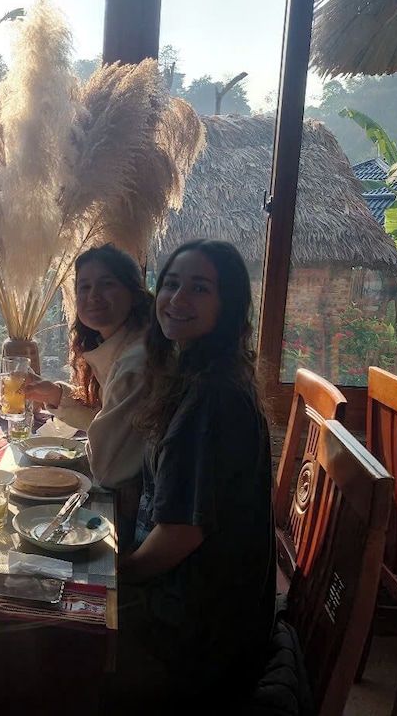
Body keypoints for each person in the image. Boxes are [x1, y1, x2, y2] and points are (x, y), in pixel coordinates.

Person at [115, 239, 276, 709]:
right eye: (171, 284)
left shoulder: (211, 399)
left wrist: (113, 574)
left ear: (228, 306)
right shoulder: (198, 374)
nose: (177, 299)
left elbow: (179, 534)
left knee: (54, 634)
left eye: (200, 288)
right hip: (210, 618)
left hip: (194, 642)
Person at [24, 244, 152, 493]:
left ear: (134, 293)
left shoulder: (136, 364)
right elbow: (112, 420)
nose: (93, 295)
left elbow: (108, 469)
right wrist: (56, 395)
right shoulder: (117, 346)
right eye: (84, 287)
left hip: (142, 502)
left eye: (107, 284)